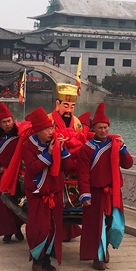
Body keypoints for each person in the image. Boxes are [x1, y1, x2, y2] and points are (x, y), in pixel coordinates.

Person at [4, 107, 76, 271]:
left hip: (55, 192)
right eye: (46, 129)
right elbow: (33, 168)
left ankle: (46, 260)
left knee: (53, 227)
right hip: (37, 193)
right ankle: (36, 258)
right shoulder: (28, 145)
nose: (51, 131)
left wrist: (63, 151)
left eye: (51, 128)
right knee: (39, 227)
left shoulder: (57, 142)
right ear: (37, 131)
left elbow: (67, 166)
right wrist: (50, 154)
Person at [77, 103, 133, 270]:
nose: (103, 130)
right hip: (95, 193)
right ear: (93, 128)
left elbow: (128, 164)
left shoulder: (114, 144)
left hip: (112, 192)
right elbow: (83, 174)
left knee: (112, 223)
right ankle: (97, 257)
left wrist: (122, 148)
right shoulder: (86, 149)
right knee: (96, 226)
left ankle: (105, 248)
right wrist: (85, 194)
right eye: (100, 127)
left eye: (106, 127)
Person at [49, 83, 87, 242]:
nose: (69, 110)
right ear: (57, 104)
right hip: (54, 164)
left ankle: (68, 230)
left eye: (72, 106)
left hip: (72, 164)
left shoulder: (77, 122)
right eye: (66, 105)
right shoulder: (48, 119)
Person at [0, 103, 24, 243]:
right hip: (2, 174)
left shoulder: (20, 134)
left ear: (13, 120)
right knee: (3, 204)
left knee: (18, 202)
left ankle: (17, 227)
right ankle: (7, 231)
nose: (8, 124)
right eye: (4, 122)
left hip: (18, 174)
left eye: (9, 121)